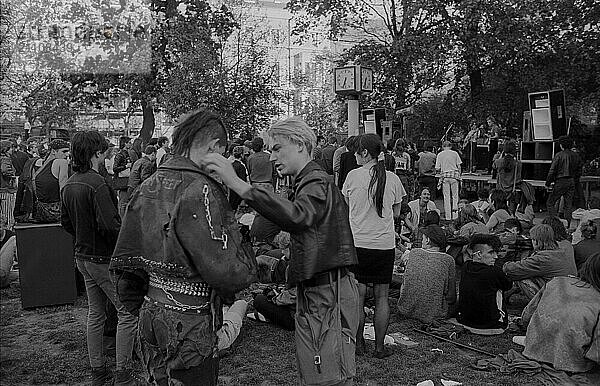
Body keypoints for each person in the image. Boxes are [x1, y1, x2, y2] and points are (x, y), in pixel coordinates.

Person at [204, 116, 358, 385]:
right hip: (320, 292)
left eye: (277, 148)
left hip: (325, 294)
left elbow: (299, 216)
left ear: (299, 144)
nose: (272, 157)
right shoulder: (309, 182)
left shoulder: (316, 182)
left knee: (326, 377)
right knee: (325, 374)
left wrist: (240, 185)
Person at [110, 109, 256, 385]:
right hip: (189, 322)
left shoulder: (148, 184)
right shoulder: (201, 189)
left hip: (151, 313)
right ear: (214, 147)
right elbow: (228, 270)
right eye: (221, 154)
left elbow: (127, 259)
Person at [60, 131, 138, 385]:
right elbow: (110, 225)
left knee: (96, 314)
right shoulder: (98, 183)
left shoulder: (70, 183)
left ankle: (99, 371)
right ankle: (122, 375)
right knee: (126, 312)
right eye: (105, 152)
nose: (107, 157)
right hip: (102, 259)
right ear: (96, 153)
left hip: (82, 256)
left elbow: (66, 223)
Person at [342, 133, 405, 359]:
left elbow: (347, 209)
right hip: (383, 244)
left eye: (356, 152)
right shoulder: (393, 179)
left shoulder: (352, 177)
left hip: (358, 243)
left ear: (365, 153)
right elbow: (397, 212)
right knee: (381, 298)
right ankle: (379, 348)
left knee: (357, 297)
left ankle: (358, 344)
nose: (354, 156)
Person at [521, 253, 600, 373]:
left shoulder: (556, 281)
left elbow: (527, 315)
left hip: (533, 349)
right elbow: (596, 354)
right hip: (573, 363)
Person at [398, 224, 456, 323]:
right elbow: (451, 297)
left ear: (428, 240)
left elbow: (405, 284)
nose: (421, 240)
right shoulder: (448, 260)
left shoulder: (413, 253)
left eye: (423, 238)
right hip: (434, 315)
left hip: (405, 309)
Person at [502, 224, 577, 300]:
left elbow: (512, 269)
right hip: (569, 290)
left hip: (558, 296)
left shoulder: (543, 258)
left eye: (532, 239)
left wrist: (504, 264)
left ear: (537, 241)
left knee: (521, 276)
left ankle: (539, 304)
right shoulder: (561, 251)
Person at [457, 234, 512, 335]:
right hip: (491, 324)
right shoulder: (494, 272)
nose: (495, 256)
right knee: (499, 289)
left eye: (496, 252)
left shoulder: (465, 267)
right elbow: (508, 286)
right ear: (478, 254)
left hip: (464, 320)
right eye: (491, 252)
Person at [546, 136, 582, 226]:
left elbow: (552, 170)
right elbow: (579, 170)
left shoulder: (559, 155)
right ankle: (567, 225)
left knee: (550, 202)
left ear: (561, 145)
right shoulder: (576, 155)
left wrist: (548, 183)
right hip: (571, 181)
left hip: (560, 180)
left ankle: (554, 223)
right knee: (568, 205)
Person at [33, 139, 70, 223]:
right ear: (53, 151)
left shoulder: (38, 163)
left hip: (39, 213)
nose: (67, 154)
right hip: (56, 212)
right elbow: (63, 188)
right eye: (64, 151)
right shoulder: (62, 162)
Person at [435, 141, 462, 220]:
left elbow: (437, 168)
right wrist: (459, 175)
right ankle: (455, 216)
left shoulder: (440, 154)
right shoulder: (455, 153)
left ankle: (448, 217)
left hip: (445, 176)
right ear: (451, 146)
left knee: (446, 197)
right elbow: (459, 166)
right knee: (455, 196)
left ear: (443, 146)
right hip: (454, 176)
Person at [112, 136, 133, 217]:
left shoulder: (127, 153)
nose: (131, 144)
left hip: (127, 180)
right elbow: (115, 168)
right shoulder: (119, 155)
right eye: (129, 143)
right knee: (123, 203)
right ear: (125, 143)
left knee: (125, 202)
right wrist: (126, 166)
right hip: (122, 182)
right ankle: (121, 220)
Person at [1, 141, 17, 229]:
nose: (13, 150)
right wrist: (12, 176)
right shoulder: (5, 159)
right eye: (11, 148)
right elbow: (5, 170)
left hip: (2, 189)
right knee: (8, 215)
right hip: (6, 189)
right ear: (6, 149)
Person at [229, 146, 248, 211]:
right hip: (239, 193)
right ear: (241, 155)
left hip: (231, 191)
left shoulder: (231, 165)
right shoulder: (241, 166)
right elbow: (243, 181)